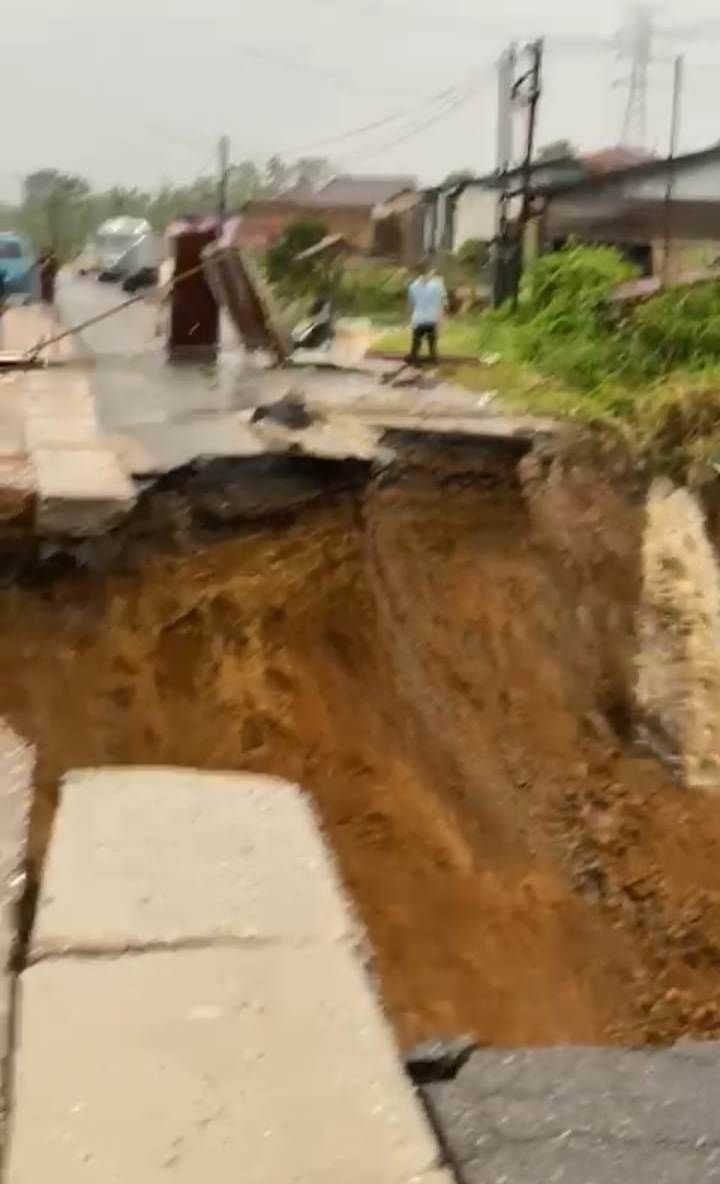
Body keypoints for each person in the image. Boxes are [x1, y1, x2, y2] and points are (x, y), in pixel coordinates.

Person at [407, 265, 447, 365]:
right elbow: (443, 302)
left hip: (419, 318)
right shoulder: (438, 285)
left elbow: (412, 304)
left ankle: (414, 358)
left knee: (416, 341)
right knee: (432, 342)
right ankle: (432, 358)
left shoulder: (413, 286)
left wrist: (410, 319)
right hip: (432, 318)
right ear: (429, 273)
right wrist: (442, 317)